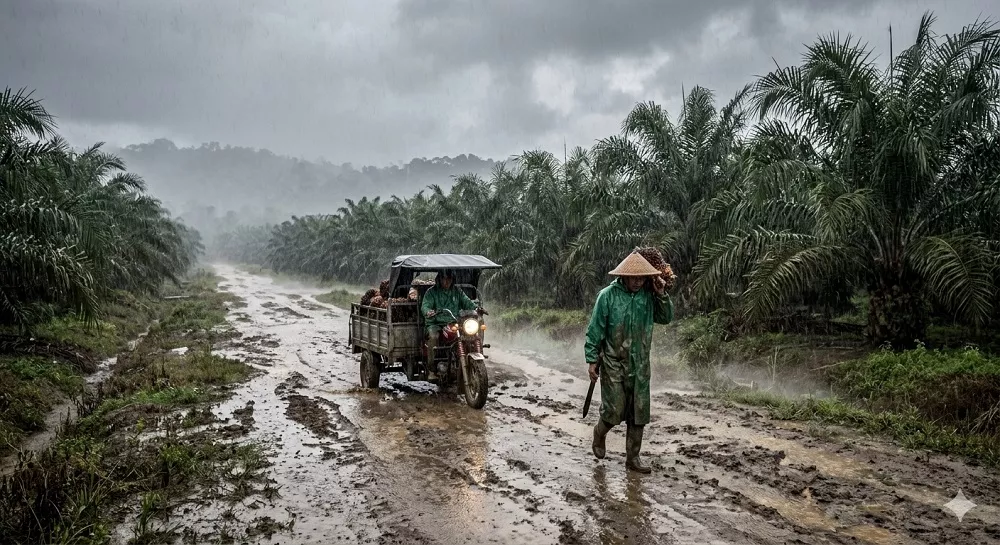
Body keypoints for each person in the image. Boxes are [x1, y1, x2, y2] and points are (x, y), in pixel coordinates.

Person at [584, 251, 673, 473]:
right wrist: (592, 360)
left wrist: (661, 294)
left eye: (642, 278)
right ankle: (599, 432)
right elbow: (595, 329)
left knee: (638, 413)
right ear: (624, 276)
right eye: (634, 278)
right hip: (614, 362)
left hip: (641, 363)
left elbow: (665, 318)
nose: (638, 282)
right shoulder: (607, 296)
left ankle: (633, 458)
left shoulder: (649, 295)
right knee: (614, 411)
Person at [420, 269, 478, 381]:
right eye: (444, 279)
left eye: (449, 279)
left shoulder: (457, 291)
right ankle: (432, 370)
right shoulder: (431, 292)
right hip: (435, 323)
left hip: (453, 322)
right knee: (434, 336)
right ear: (439, 279)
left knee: (467, 334)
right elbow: (425, 306)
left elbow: (467, 301)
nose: (446, 282)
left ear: (452, 280)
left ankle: (463, 361)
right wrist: (428, 311)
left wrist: (476, 308)